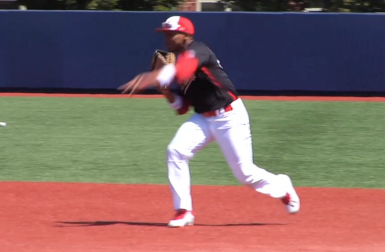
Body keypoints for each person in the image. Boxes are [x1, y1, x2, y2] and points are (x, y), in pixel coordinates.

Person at [119, 16, 300, 228]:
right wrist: (165, 91)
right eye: (164, 34)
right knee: (175, 151)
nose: (166, 39)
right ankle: (183, 211)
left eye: (170, 34)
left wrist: (152, 76)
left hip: (230, 116)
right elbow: (182, 107)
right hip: (203, 118)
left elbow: (185, 70)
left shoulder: (198, 50)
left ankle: (281, 186)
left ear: (185, 35)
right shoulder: (176, 61)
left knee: (245, 174)